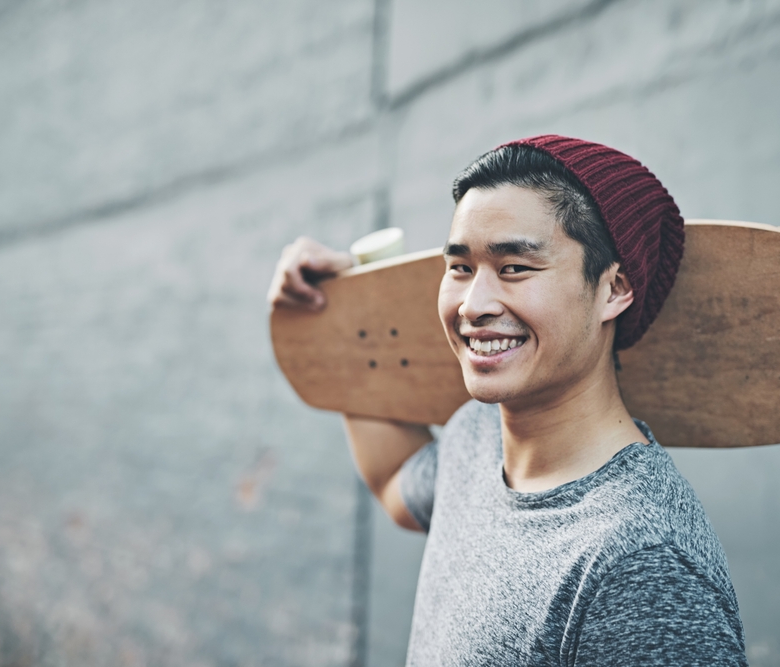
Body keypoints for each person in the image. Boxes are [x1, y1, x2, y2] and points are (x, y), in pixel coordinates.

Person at [268, 135, 747, 665]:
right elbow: (394, 480)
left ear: (613, 289)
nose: (472, 306)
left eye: (514, 267)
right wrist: (337, 314)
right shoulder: (476, 434)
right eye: (460, 268)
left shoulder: (641, 565)